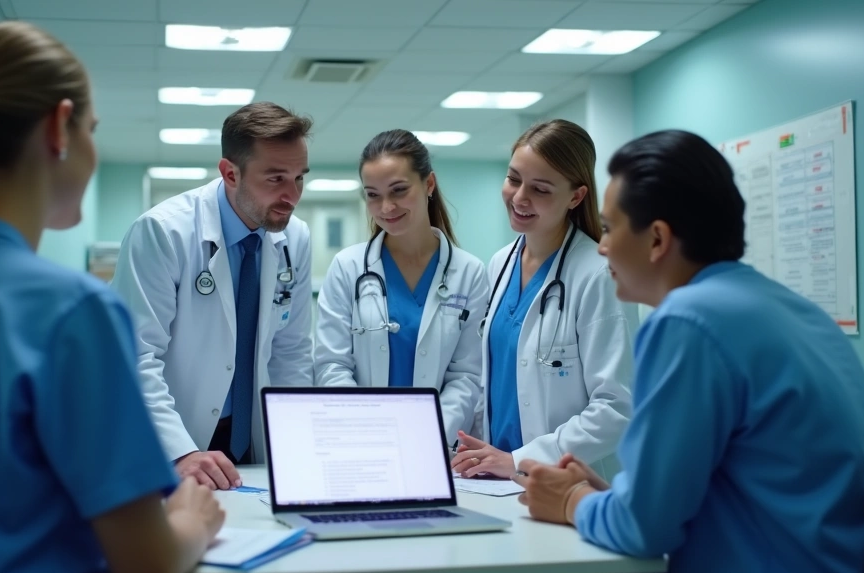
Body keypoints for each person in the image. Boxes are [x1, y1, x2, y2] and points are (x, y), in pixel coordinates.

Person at [0, 22, 224, 573]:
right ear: (61, 128)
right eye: (92, 129)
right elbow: (148, 562)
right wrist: (192, 520)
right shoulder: (71, 311)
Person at [514, 129, 864, 573]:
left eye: (610, 227)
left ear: (657, 239)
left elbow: (644, 530)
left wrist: (569, 500)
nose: (601, 246)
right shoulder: (786, 306)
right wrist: (608, 501)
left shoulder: (687, 320)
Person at [111, 102, 314, 490]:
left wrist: (295, 441)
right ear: (230, 173)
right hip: (175, 444)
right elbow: (135, 356)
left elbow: (291, 351)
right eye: (275, 179)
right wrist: (180, 452)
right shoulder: (163, 233)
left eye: (299, 178)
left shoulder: (294, 238)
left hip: (254, 442)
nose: (292, 195)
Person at [450, 120, 634, 481]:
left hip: (568, 482)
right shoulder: (500, 265)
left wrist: (521, 458)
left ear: (575, 196)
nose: (519, 197)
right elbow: (495, 380)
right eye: (513, 179)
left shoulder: (599, 274)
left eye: (541, 188)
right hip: (497, 479)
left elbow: (616, 407)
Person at [314, 129, 488, 440]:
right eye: (373, 195)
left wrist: (428, 433)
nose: (386, 208)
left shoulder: (469, 272)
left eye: (398, 190)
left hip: (435, 443)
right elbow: (332, 365)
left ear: (429, 184)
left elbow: (466, 376)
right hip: (362, 439)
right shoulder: (347, 268)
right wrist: (370, 429)